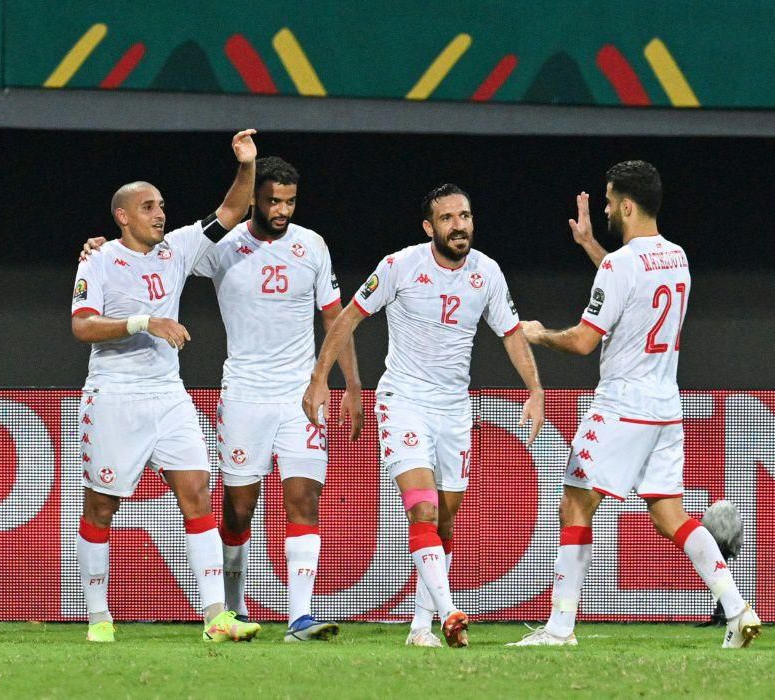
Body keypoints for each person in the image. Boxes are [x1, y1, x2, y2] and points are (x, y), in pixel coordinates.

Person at [509, 160, 762, 647]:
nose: (605, 210)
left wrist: (539, 334)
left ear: (626, 206)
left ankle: (559, 628)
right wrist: (590, 246)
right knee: (670, 516)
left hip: (622, 404)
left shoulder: (620, 265)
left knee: (574, 504)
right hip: (666, 406)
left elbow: (584, 341)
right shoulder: (677, 257)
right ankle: (737, 610)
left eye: (608, 202)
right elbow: (634, 286)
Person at [303, 184, 545, 648]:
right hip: (404, 400)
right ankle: (450, 611)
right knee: (423, 508)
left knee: (445, 521)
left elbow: (511, 333)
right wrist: (321, 379)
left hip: (454, 409)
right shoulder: (400, 265)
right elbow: (348, 318)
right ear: (428, 227)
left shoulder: (487, 272)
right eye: (448, 218)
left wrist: (535, 390)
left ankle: (420, 627)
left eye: (465, 216)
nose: (459, 225)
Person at [71, 130, 262, 643]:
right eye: (148, 207)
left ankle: (216, 616)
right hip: (114, 396)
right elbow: (82, 326)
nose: (160, 214)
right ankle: (98, 616)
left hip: (168, 396)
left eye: (161, 206)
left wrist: (247, 165)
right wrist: (144, 322)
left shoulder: (176, 249)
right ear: (123, 217)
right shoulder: (98, 259)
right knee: (101, 507)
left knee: (197, 491)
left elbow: (231, 211)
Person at [194, 156, 364, 641]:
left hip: (300, 394)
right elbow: (162, 257)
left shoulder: (312, 246)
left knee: (304, 498)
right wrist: (101, 250)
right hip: (244, 395)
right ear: (253, 199)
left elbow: (335, 317)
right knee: (239, 508)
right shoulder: (222, 245)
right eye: (272, 201)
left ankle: (299, 618)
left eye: (289, 201)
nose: (282, 210)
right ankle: (233, 606)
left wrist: (351, 384)